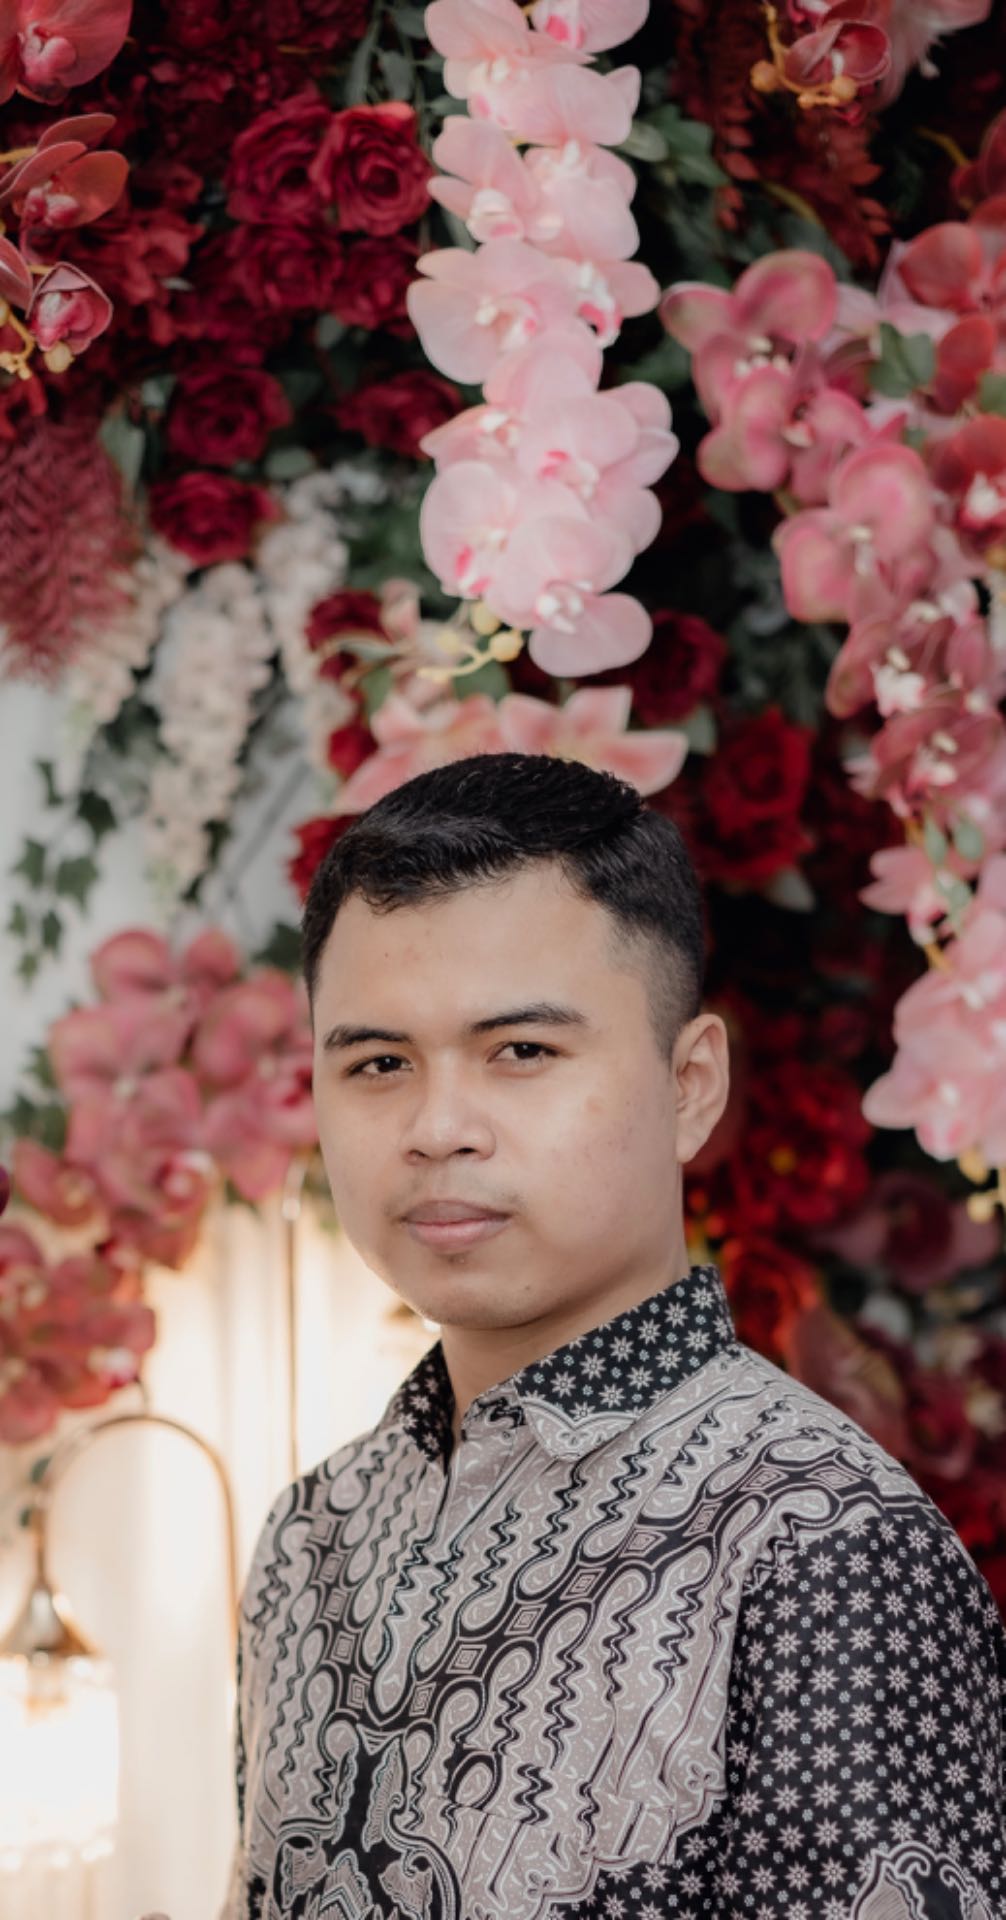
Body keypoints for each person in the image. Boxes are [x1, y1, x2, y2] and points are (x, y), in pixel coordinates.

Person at [223, 752, 1005, 1920]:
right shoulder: (310, 1536)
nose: (437, 1127)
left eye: (521, 1052)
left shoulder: (822, 1550)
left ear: (690, 1085)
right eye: (379, 1064)